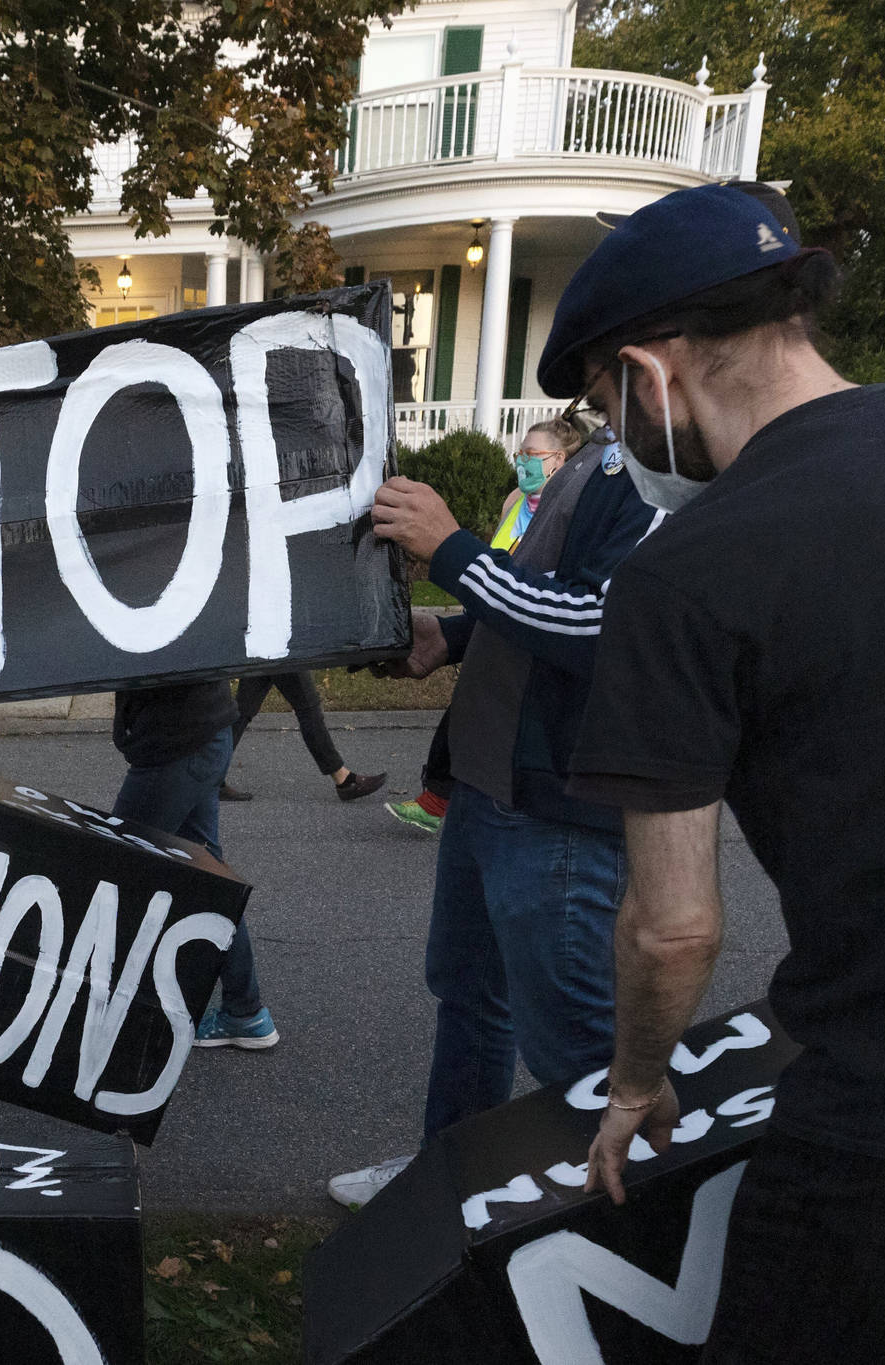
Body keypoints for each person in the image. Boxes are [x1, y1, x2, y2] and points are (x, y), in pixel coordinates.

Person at [549, 183, 885, 1360]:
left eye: (601, 406)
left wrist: (634, 1083)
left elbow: (670, 929)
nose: (615, 438)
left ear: (648, 373)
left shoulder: (684, 579)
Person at [326, 366, 659, 1210]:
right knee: (473, 999)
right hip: (489, 786)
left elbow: (598, 625)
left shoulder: (662, 471)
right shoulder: (604, 455)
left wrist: (450, 547)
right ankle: (448, 1185)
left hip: (557, 809)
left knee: (576, 1040)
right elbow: (544, 592)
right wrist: (455, 632)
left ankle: (632, 1227)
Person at [385, 418, 586, 835]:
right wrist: (451, 633)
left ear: (559, 461)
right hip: (487, 625)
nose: (523, 464)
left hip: (527, 666)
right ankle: (441, 801)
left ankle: (437, 800)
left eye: (533, 456)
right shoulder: (515, 500)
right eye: (520, 455)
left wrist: (447, 548)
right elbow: (498, 566)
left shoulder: (576, 506)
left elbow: (565, 609)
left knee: (462, 719)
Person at [111, 682, 278, 1050]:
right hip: (204, 734)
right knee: (208, 875)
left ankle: (88, 1006)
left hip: (178, 747)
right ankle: (245, 1012)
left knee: (117, 869)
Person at [220, 671, 386, 803]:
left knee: (242, 712)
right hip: (279, 642)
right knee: (308, 708)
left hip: (261, 641)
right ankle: (343, 779)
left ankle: (209, 777)